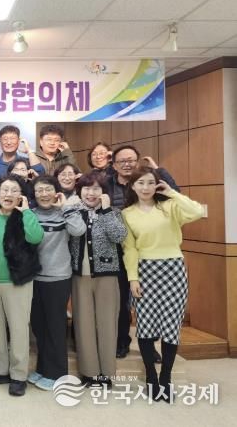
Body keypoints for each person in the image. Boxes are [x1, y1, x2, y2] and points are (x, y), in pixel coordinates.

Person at [122, 167, 203, 402]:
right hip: (145, 270)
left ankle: (166, 378)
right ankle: (151, 376)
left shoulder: (170, 206)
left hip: (173, 268)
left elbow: (197, 211)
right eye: (140, 183)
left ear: (157, 185)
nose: (145, 187)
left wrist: (172, 193)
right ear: (133, 186)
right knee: (145, 326)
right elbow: (130, 248)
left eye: (150, 182)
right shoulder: (126, 213)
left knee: (171, 326)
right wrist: (133, 278)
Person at [106, 145, 179, 360]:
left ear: (137, 162)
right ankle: (122, 341)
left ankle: (150, 345)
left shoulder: (149, 182)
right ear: (114, 165)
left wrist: (158, 170)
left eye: (131, 160)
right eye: (122, 161)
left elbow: (175, 194)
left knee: (149, 302)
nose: (127, 164)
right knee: (122, 301)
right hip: (118, 250)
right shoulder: (107, 185)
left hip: (148, 252)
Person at [0, 175, 44, 397]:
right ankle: (0, 369)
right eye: (4, 190)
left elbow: (35, 238)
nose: (8, 194)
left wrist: (26, 212)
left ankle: (18, 375)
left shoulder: (25, 215)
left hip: (18, 281)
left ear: (21, 195)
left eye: (14, 190)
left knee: (18, 329)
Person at [68, 172, 127, 388]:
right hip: (79, 277)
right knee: (83, 324)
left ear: (104, 192)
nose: (91, 193)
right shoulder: (73, 212)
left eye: (96, 188)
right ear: (79, 191)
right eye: (86, 188)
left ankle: (106, 373)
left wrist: (106, 211)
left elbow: (119, 236)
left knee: (107, 324)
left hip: (107, 276)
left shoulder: (114, 212)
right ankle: (89, 372)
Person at [29, 175, 86, 391]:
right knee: (39, 326)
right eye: (39, 190)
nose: (44, 194)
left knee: (55, 326)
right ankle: (43, 368)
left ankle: (57, 373)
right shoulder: (31, 214)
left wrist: (66, 208)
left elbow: (78, 230)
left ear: (56, 192)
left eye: (48, 189)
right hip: (34, 278)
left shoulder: (65, 212)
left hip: (58, 277)